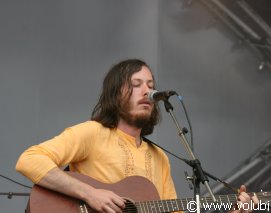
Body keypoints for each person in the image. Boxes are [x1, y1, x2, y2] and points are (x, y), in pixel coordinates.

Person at [16, 59, 257, 213]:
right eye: (136, 84)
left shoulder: (160, 157)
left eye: (151, 85)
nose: (147, 91)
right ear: (115, 93)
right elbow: (29, 160)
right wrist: (90, 193)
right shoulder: (93, 133)